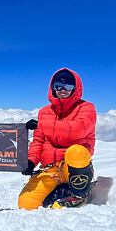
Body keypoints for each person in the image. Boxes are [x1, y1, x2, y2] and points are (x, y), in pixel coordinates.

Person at [18, 68, 97, 210]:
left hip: (72, 167)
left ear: (76, 88)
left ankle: (79, 193)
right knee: (26, 205)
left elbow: (77, 129)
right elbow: (39, 141)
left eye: (68, 86)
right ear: (52, 88)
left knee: (76, 151)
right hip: (50, 168)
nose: (62, 89)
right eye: (58, 86)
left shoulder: (87, 108)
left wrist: (42, 125)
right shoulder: (44, 112)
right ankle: (60, 191)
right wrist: (31, 162)